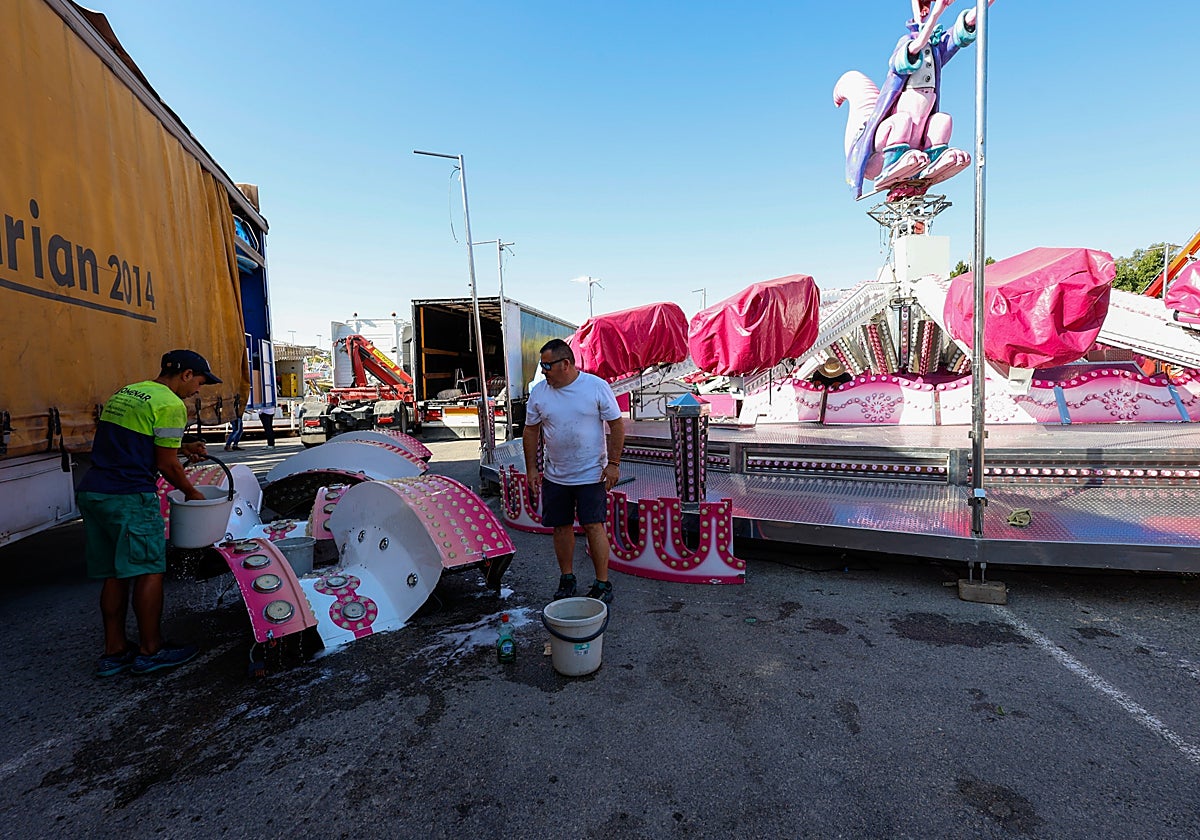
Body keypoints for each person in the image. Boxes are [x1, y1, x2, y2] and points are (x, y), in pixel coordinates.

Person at [77, 349, 221, 676]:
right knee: (149, 571)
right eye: (199, 381)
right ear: (185, 374)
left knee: (114, 572)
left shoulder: (128, 393)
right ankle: (151, 649)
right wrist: (192, 492)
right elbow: (165, 464)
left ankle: (114, 651)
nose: (199, 389)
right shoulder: (170, 404)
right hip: (129, 497)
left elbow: (131, 443)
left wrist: (184, 447)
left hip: (94, 492)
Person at [522, 339, 624, 604]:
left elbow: (616, 425)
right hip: (556, 476)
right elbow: (531, 430)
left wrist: (613, 464)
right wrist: (532, 468)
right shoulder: (540, 392)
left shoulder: (595, 387)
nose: (543, 371)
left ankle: (603, 583)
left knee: (594, 526)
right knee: (561, 527)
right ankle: (567, 578)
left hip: (591, 474)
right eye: (541, 365)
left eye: (547, 365)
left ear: (565, 364)